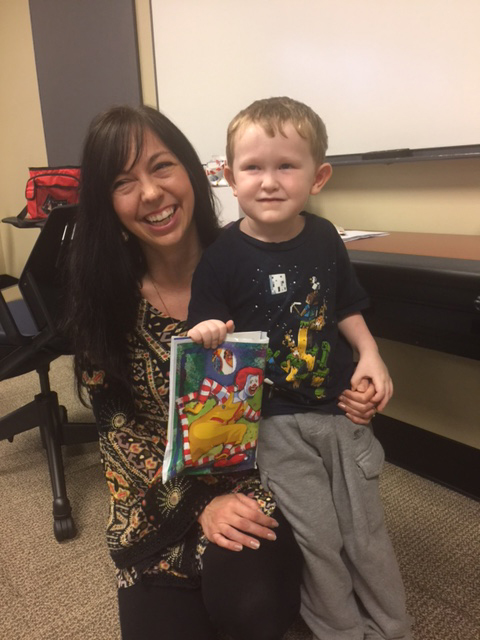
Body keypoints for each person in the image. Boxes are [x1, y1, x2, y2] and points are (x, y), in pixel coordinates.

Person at [64, 104, 376, 640]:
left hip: (267, 476)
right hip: (165, 499)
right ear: (107, 204)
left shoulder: (257, 258)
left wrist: (357, 390)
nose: (151, 194)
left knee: (252, 608)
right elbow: (119, 438)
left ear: (196, 171)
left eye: (161, 167)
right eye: (123, 182)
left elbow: (318, 348)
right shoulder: (105, 305)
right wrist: (203, 505)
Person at [187, 97, 412, 640]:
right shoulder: (220, 255)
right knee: (318, 536)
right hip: (277, 425)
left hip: (341, 414)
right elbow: (201, 337)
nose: (269, 181)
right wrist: (208, 333)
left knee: (366, 532)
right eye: (253, 167)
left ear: (318, 176)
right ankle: (339, 630)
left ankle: (393, 627)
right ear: (229, 178)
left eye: (286, 165)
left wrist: (372, 354)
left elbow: (345, 308)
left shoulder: (324, 236)